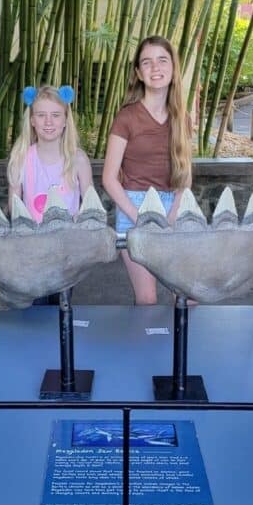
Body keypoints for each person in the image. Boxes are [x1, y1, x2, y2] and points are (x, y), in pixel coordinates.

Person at [102, 35, 192, 305]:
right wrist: (138, 215)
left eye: (162, 60)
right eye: (147, 62)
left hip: (172, 206)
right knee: (147, 299)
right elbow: (109, 178)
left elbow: (185, 174)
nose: (155, 68)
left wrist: (174, 212)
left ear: (173, 68)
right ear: (139, 73)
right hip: (134, 207)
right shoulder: (127, 117)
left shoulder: (182, 119)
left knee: (188, 296)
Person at [8, 84, 93, 222]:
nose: (48, 122)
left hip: (70, 234)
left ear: (65, 120)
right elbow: (14, 208)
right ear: (32, 120)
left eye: (56, 115)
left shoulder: (78, 159)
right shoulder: (20, 158)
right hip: (32, 234)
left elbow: (91, 206)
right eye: (41, 115)